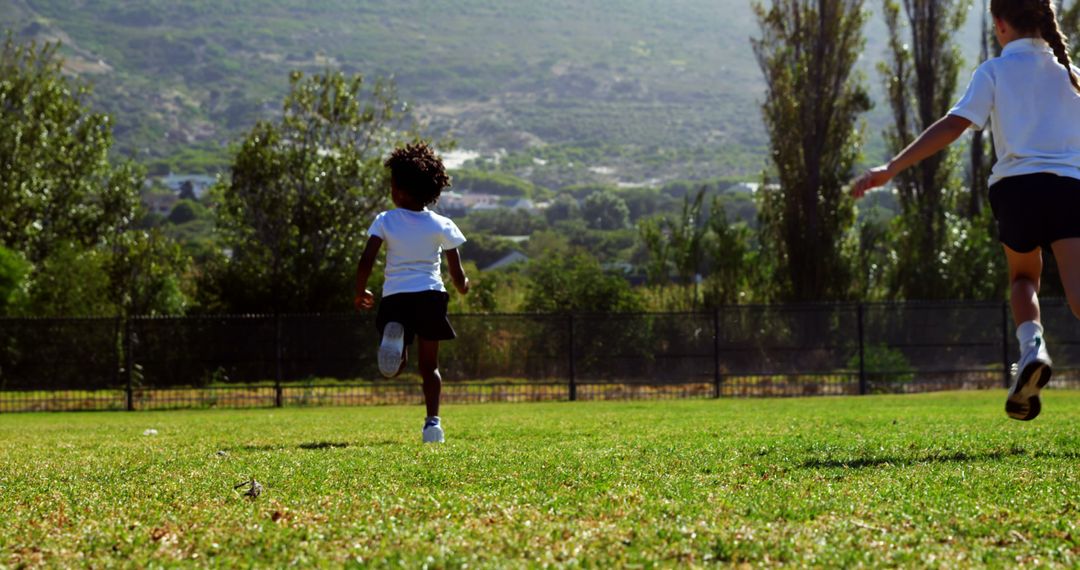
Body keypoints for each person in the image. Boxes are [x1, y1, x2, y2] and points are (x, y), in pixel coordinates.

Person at [853, 0, 1080, 421]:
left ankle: (1033, 347)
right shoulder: (1072, 77)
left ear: (999, 25)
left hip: (1016, 191)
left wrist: (891, 168)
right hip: (1070, 189)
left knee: (1024, 278)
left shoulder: (994, 72)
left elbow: (953, 125)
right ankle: (1032, 353)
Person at [354, 142, 469, 442]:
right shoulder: (442, 223)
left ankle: (396, 345)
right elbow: (456, 271)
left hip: (396, 296)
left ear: (400, 191)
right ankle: (433, 424)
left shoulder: (386, 219)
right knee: (430, 366)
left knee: (396, 361)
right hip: (431, 295)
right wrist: (463, 286)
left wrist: (360, 289)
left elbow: (366, 259)